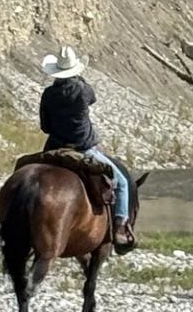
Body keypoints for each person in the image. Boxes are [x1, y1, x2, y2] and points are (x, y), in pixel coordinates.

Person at [38, 48, 135, 251]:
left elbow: (45, 127)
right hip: (83, 148)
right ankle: (119, 227)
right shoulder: (83, 90)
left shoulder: (48, 94)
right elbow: (92, 98)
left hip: (54, 148)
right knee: (122, 183)